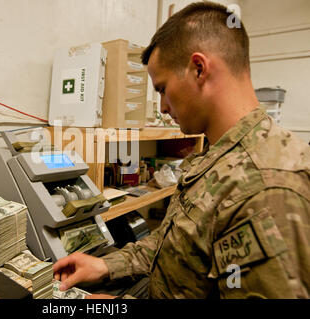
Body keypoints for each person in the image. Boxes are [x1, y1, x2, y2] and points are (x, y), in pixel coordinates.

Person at [53, 1, 310, 299]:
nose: (161, 107)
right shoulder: (220, 156)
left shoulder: (266, 186)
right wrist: (106, 265)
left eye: (162, 89)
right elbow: (176, 245)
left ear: (199, 69)